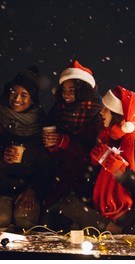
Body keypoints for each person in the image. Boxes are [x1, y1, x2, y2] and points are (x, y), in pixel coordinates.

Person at [59, 85, 135, 236]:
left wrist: (121, 172)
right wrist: (92, 168)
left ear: (118, 114)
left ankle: (112, 228)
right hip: (101, 213)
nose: (101, 112)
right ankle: (120, 231)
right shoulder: (104, 138)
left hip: (131, 212)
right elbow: (87, 186)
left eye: (106, 108)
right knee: (67, 203)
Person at [0, 67, 54, 231]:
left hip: (28, 188)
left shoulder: (41, 124)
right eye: (13, 93)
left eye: (24, 95)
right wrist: (1, 159)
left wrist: (33, 190)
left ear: (32, 99)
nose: (17, 98)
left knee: (24, 221)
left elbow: (47, 166)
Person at [40, 60, 103, 231]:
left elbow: (92, 155)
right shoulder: (57, 111)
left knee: (76, 228)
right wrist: (52, 147)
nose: (66, 94)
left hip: (87, 182)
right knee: (49, 224)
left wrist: (64, 142)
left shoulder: (97, 116)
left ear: (83, 91)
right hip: (61, 179)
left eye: (72, 90)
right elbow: (54, 156)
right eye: (64, 90)